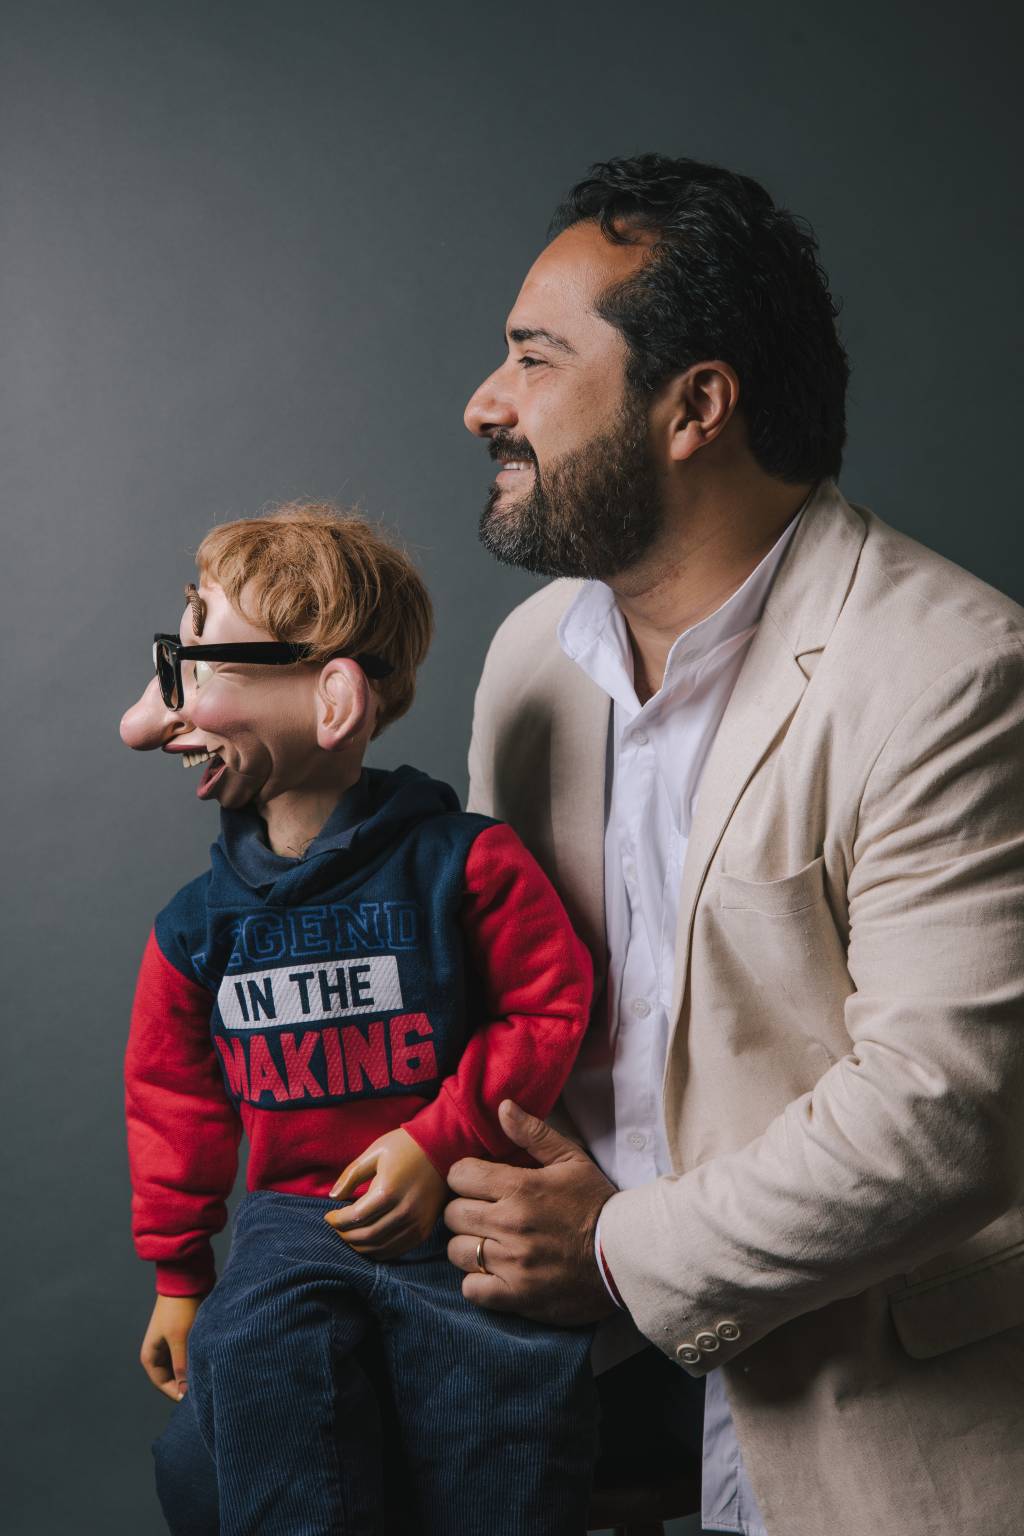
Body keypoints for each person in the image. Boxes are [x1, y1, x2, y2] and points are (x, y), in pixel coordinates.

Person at [443, 154, 1024, 1536]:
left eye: (535, 356)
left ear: (697, 404)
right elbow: (493, 991)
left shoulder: (953, 670)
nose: (485, 402)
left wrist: (610, 1250)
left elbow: (949, 1108)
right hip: (556, 1424)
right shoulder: (531, 658)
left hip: (867, 1427)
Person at [120, 503, 596, 1536]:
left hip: (462, 1211)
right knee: (255, 1365)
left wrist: (439, 1138)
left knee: (503, 1404)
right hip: (291, 1221)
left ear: (333, 695)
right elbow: (173, 1100)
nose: (153, 718)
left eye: (194, 671)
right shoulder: (194, 930)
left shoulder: (465, 866)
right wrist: (179, 1271)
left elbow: (548, 1005)